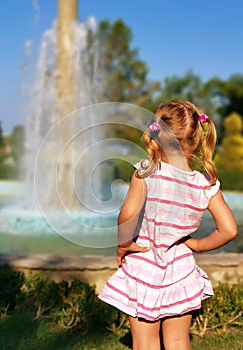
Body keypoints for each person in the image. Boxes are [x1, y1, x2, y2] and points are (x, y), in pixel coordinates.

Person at [98, 100, 237, 350]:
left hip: (143, 266)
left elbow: (127, 213)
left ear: (156, 134)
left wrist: (123, 245)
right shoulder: (206, 184)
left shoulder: (147, 171)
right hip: (181, 269)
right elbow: (229, 230)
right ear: (196, 139)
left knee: (145, 342)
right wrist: (198, 245)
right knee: (177, 340)